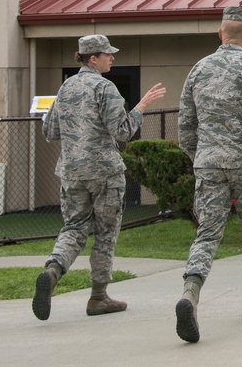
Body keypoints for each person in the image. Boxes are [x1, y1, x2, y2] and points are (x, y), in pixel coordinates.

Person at [33, 34, 166, 321]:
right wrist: (142, 106)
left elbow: (49, 132)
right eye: (108, 54)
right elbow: (123, 131)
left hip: (71, 173)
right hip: (105, 172)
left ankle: (52, 271)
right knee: (105, 234)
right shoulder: (106, 88)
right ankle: (99, 297)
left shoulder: (66, 87)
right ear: (93, 58)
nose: (112, 58)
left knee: (73, 228)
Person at [176, 6, 242, 344]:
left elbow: (185, 125)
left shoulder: (198, 69)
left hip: (208, 162)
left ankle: (190, 294)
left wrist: (201, 156)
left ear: (220, 34)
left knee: (207, 234)